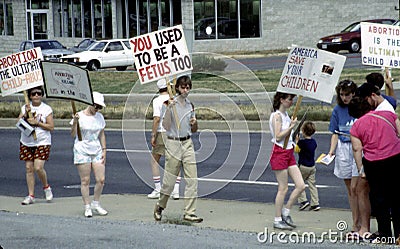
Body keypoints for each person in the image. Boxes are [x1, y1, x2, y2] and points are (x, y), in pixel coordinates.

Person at [349, 92, 400, 242]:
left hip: (374, 162)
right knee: (397, 197)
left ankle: (384, 233)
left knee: (379, 198)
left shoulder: (356, 126)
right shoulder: (387, 114)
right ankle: (399, 233)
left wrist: (361, 169)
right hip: (395, 157)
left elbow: (357, 149)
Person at [153, 75, 203, 223]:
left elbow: (193, 129)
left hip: (187, 143)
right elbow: (166, 126)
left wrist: (194, 123)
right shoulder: (169, 104)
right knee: (169, 182)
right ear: (177, 88)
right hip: (173, 143)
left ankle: (190, 212)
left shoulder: (190, 105)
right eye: (183, 87)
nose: (185, 90)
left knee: (192, 179)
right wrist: (169, 109)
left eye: (188, 87)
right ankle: (160, 206)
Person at [327, 80, 370, 237]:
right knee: (350, 190)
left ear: (353, 93)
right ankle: (355, 222)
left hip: (357, 148)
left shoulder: (359, 108)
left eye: (347, 94)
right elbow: (335, 132)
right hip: (343, 148)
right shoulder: (338, 110)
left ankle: (361, 223)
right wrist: (331, 152)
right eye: (342, 95)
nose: (344, 98)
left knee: (356, 187)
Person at [268, 92, 305, 230]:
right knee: (283, 188)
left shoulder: (286, 115)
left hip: (289, 151)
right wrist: (291, 127)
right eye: (289, 99)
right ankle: (277, 219)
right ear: (282, 100)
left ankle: (286, 211)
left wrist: (293, 140)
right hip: (279, 152)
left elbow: (286, 137)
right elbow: (278, 136)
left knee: (301, 185)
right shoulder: (276, 116)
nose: (291, 102)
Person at [71, 92, 108, 218]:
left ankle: (96, 203)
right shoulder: (80, 116)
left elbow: (102, 134)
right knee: (85, 180)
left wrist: (104, 150)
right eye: (96, 106)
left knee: (101, 179)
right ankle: (87, 206)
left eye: (100, 107)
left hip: (96, 149)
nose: (97, 109)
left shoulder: (100, 117)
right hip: (82, 149)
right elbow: (72, 135)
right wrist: (75, 122)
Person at [18, 86, 54, 205]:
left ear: (42, 95)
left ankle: (46, 187)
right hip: (27, 141)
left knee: (38, 167)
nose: (36, 96)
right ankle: (31, 195)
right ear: (30, 96)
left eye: (39, 93)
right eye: (33, 94)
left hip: (42, 141)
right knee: (29, 168)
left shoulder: (46, 109)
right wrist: (26, 115)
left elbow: (51, 127)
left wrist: (37, 123)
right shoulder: (25, 107)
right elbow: (19, 123)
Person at [148, 79, 181, 200]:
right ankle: (176, 191)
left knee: (154, 160)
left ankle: (158, 188)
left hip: (162, 132)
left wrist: (153, 135)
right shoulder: (175, 99)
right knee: (175, 162)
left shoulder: (157, 100)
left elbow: (157, 119)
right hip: (175, 133)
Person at [295, 121, 320, 211]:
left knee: (299, 183)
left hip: (303, 166)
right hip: (312, 166)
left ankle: (303, 201)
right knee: (312, 185)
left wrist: (297, 142)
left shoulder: (302, 143)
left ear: (303, 131)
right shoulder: (313, 142)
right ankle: (315, 203)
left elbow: (297, 150)